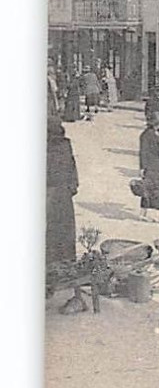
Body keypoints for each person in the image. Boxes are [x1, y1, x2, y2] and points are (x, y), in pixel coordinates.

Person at [46, 116, 79, 274]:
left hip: (52, 193)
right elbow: (73, 165)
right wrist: (73, 185)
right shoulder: (66, 144)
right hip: (62, 192)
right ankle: (65, 261)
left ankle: (55, 263)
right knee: (64, 228)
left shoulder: (46, 146)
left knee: (53, 228)